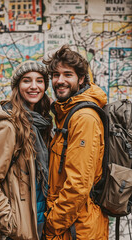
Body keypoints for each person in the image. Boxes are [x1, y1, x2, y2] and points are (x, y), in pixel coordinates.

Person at [0, 60, 52, 240]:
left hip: (37, 224)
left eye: (39, 81)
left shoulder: (40, 125)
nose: (34, 86)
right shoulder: (9, 127)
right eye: (26, 80)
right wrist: (13, 225)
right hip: (13, 233)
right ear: (17, 87)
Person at [43, 45, 109, 239]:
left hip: (77, 229)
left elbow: (78, 186)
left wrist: (50, 227)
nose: (60, 81)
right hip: (71, 225)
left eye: (67, 75)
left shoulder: (84, 118)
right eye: (55, 75)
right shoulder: (66, 113)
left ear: (81, 79)